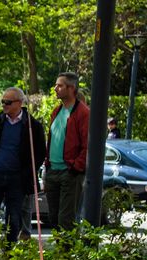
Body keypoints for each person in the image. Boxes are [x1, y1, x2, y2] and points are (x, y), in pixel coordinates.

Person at [0, 87, 46, 259]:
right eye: (3, 102)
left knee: (14, 219)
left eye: (8, 102)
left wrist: (27, 173)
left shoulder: (32, 126)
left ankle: (9, 255)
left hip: (17, 179)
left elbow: (39, 152)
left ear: (19, 103)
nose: (4, 105)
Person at [43, 72, 90, 229]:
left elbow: (87, 144)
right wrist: (47, 165)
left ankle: (66, 253)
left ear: (71, 88)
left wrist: (76, 167)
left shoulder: (83, 113)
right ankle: (60, 253)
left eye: (59, 85)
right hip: (52, 171)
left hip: (69, 172)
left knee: (66, 220)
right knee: (54, 218)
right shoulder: (56, 111)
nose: (55, 88)